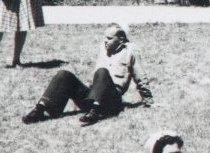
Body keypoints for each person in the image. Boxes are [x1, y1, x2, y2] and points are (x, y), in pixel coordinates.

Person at [24, 23, 155, 124]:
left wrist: (148, 100)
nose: (105, 41)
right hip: (94, 96)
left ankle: (95, 112)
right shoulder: (103, 49)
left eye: (109, 38)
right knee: (64, 74)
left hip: (111, 100)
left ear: (120, 39)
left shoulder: (129, 52)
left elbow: (140, 77)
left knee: (102, 71)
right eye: (104, 37)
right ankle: (40, 109)